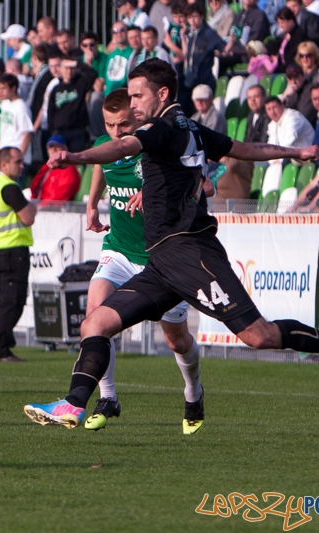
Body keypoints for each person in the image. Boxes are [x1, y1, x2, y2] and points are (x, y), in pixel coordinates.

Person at [23, 59, 319, 430]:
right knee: (95, 323)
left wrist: (74, 157)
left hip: (192, 253)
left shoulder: (161, 127)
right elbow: (243, 148)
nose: (133, 103)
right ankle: (74, 404)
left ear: (163, 94)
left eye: (138, 95)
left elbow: (123, 147)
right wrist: (293, 153)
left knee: (259, 335)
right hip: (161, 261)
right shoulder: (191, 129)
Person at [74, 89, 201, 432]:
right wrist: (91, 201)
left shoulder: (160, 147)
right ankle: (108, 397)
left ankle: (193, 391)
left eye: (124, 124)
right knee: (94, 319)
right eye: (110, 124)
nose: (116, 132)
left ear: (138, 117)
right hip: (118, 249)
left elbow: (204, 185)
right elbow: (103, 165)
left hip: (160, 259)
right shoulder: (108, 144)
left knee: (176, 340)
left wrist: (161, 186)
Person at [0, 147, 37, 363]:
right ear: (4, 165)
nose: (22, 166)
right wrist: (32, 206)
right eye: (18, 162)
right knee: (12, 301)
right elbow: (28, 217)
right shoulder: (9, 187)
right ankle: (0, 349)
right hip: (13, 249)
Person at [182, 3, 226, 116]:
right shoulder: (192, 35)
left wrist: (230, 45)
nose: (192, 20)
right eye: (189, 17)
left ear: (202, 16)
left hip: (204, 81)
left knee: (205, 115)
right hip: (192, 82)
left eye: (195, 16)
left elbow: (222, 47)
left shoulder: (209, 33)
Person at [48, 60, 99, 153]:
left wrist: (76, 63)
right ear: (60, 69)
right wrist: (52, 131)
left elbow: (92, 74)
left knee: (77, 161)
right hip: (60, 131)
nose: (69, 71)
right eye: (66, 68)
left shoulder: (80, 83)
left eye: (71, 68)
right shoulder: (56, 89)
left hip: (77, 131)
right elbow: (50, 112)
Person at [0, 73, 35, 168]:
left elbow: (27, 134)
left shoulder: (21, 107)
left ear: (13, 88)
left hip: (16, 158)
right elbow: (3, 133)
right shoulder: (4, 104)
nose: (0, 92)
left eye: (3, 88)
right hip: (4, 155)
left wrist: (19, 159)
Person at [29, 135, 81, 201]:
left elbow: (60, 196)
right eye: (50, 147)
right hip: (39, 206)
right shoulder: (46, 167)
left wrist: (41, 206)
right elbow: (35, 190)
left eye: (57, 146)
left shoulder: (69, 168)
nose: (53, 150)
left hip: (55, 209)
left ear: (65, 149)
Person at [104, 22, 135, 96]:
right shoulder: (111, 54)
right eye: (115, 31)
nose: (119, 33)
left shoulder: (133, 53)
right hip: (108, 95)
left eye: (122, 30)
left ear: (127, 31)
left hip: (124, 94)